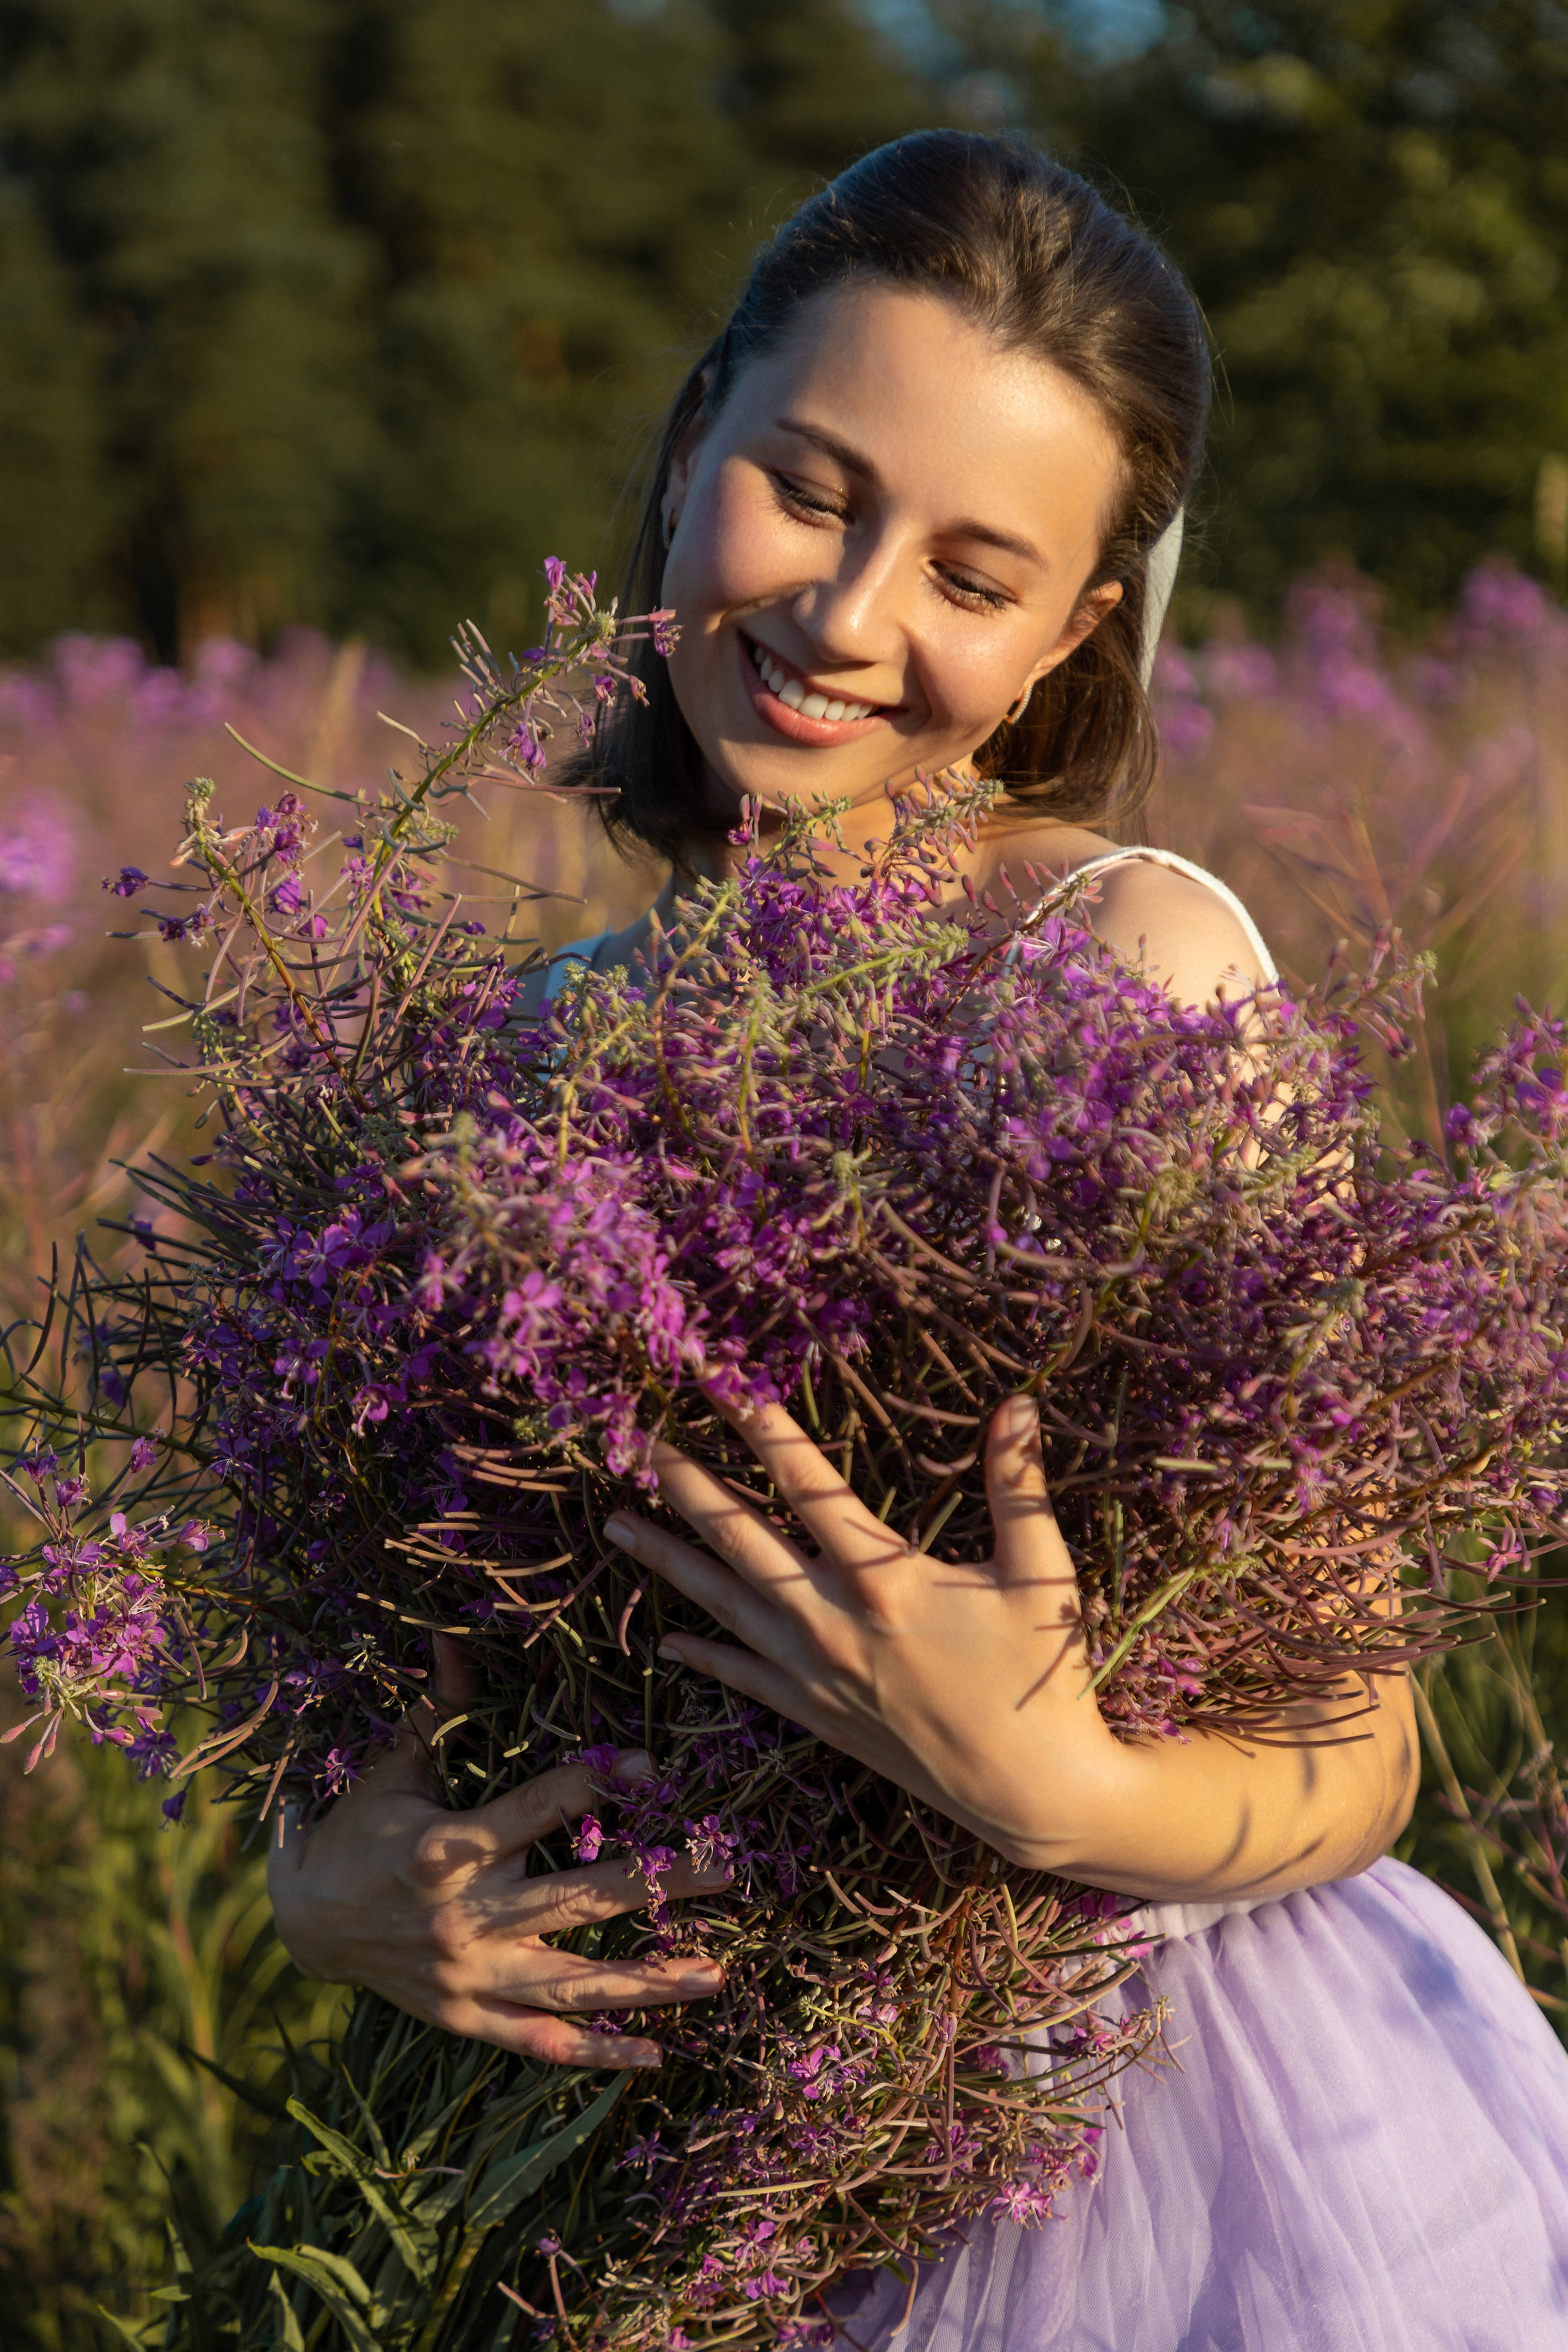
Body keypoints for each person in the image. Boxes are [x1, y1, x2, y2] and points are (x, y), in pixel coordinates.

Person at [268, 132, 1568, 2347]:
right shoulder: (538, 1043)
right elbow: (440, 1659)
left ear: (1074, 631)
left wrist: (1057, 1784)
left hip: (1137, 2127)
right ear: (693, 440)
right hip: (672, 2145)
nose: (850, 616)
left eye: (975, 576)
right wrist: (338, 1879)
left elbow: (1364, 1748)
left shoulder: (1126, 968)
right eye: (807, 484)